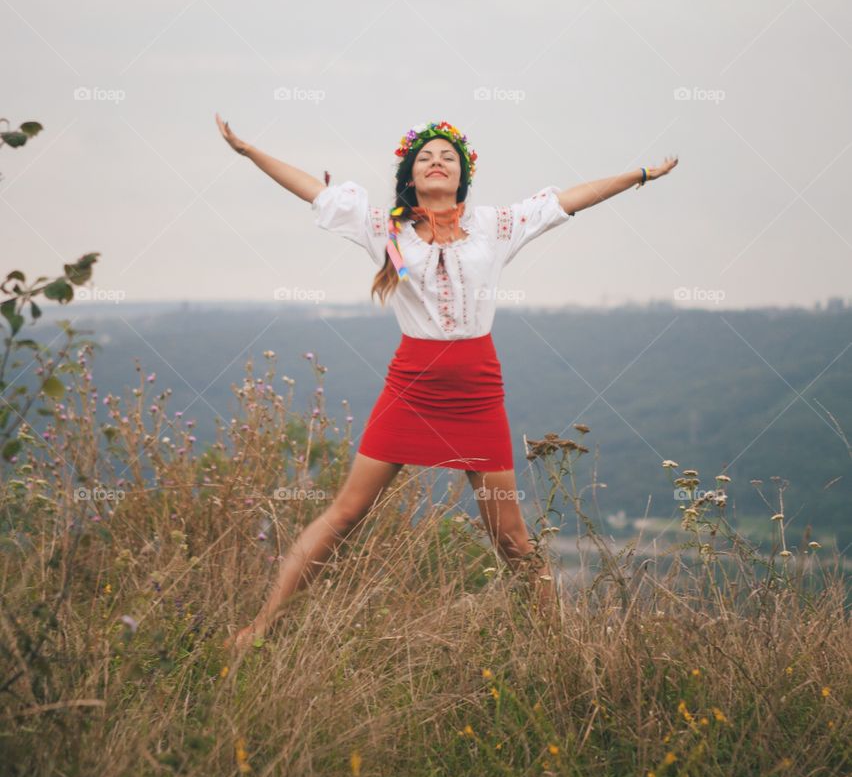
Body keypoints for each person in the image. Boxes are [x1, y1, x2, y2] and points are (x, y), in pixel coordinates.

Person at [215, 113, 678, 651]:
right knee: (346, 514)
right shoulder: (386, 229)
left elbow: (569, 200)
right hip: (410, 388)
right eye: (426, 157)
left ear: (463, 175)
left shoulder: (495, 227)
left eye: (448, 157)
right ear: (411, 175)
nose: (437, 162)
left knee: (509, 535)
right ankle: (260, 627)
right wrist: (249, 151)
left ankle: (556, 647)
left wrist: (639, 174)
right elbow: (311, 191)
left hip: (478, 393)